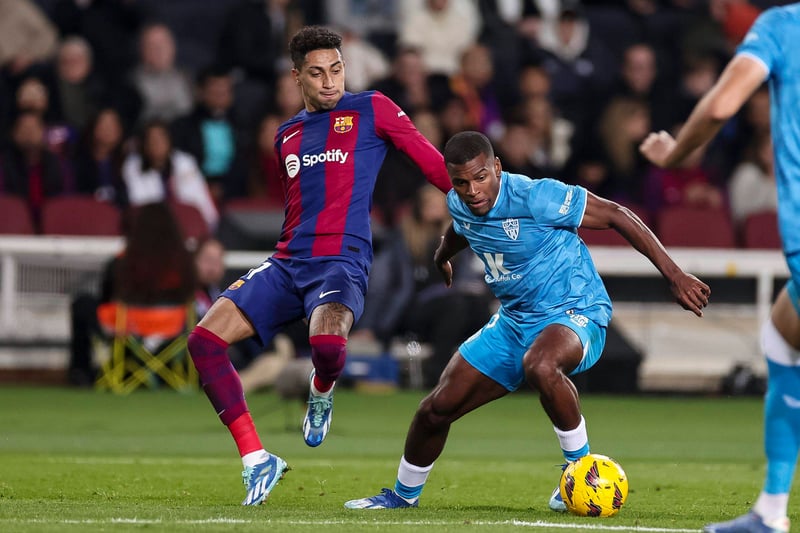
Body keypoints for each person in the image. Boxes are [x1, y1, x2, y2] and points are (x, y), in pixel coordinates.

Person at [343, 131, 709, 511]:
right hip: (514, 322)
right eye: (461, 182)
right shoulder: (459, 202)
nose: (472, 191)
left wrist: (674, 275)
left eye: (480, 177)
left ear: (497, 167)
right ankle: (403, 496)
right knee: (435, 409)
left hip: (575, 310)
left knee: (541, 364)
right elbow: (461, 229)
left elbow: (617, 214)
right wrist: (441, 256)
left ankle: (578, 471)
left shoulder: (537, 196)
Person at [186, 25, 452, 506]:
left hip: (342, 260)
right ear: (296, 78)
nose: (330, 81)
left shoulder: (372, 108)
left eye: (336, 69)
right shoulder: (286, 135)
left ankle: (321, 387)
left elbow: (431, 163)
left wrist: (478, 212)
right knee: (203, 341)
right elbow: (296, 207)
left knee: (327, 345)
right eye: (317, 73)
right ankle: (257, 460)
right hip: (289, 262)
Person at [639, 5, 800, 533]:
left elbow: (723, 102)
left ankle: (771, 513)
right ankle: (770, 510)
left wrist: (675, 153)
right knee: (781, 335)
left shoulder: (783, 26)